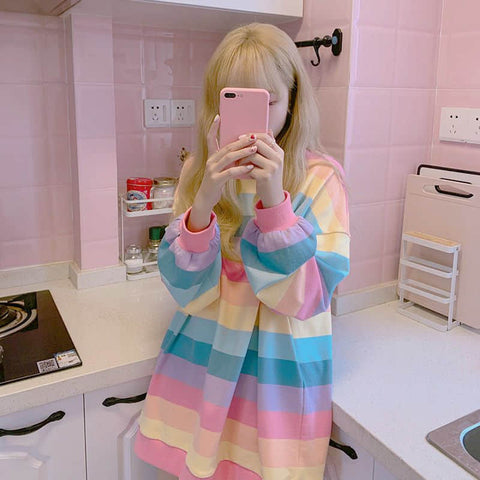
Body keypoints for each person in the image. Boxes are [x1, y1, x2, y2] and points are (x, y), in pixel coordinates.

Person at [135, 22, 350, 480]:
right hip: (204, 362)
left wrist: (273, 200)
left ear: (292, 101)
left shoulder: (321, 178)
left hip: (277, 372)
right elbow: (187, 288)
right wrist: (204, 200)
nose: (256, 121)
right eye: (235, 101)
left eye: (268, 102)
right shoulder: (198, 172)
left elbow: (311, 296)